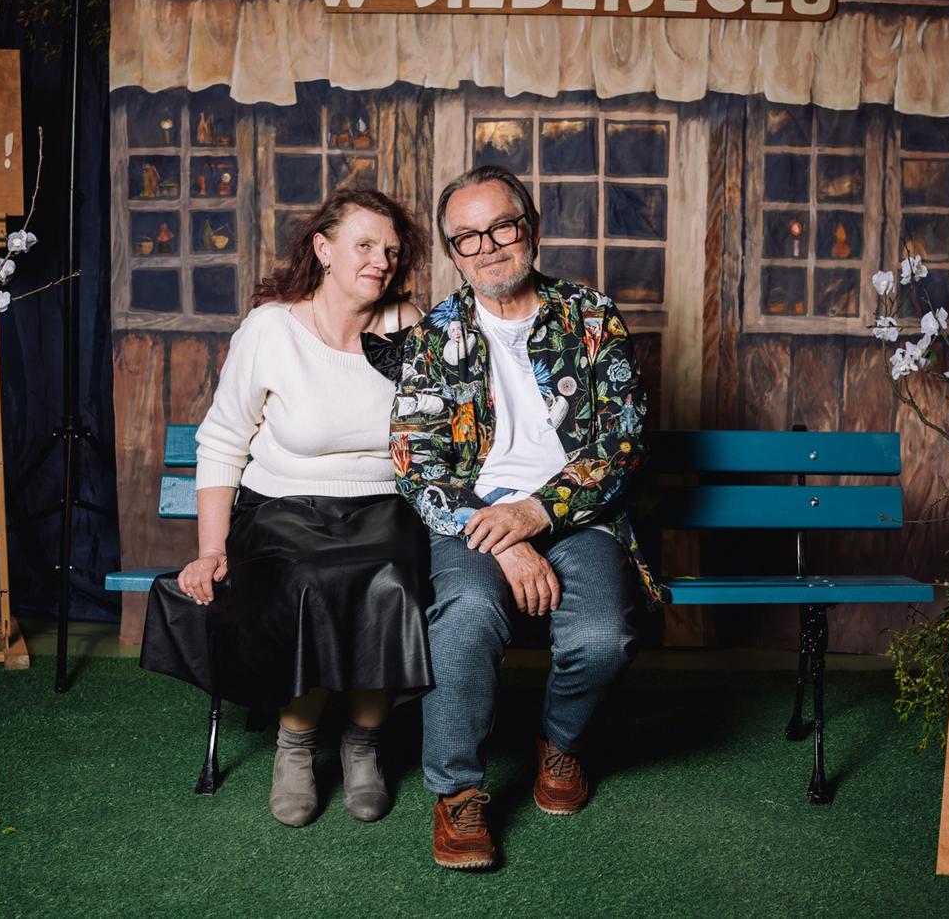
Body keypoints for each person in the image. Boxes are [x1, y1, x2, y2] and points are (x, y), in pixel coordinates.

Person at [390, 165, 657, 870]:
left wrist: (538, 513)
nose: (487, 247)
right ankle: (456, 793)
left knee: (603, 637)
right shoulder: (434, 336)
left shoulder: (591, 317)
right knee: (466, 617)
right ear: (453, 252)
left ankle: (560, 744)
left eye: (501, 227)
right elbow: (416, 461)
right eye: (467, 237)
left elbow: (623, 440)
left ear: (531, 230)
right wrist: (502, 537)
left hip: (577, 510)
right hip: (474, 517)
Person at [141, 187, 432, 827]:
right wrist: (210, 550)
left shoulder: (408, 324)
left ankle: (363, 745)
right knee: (308, 579)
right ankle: (295, 746)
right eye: (363, 245)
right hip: (282, 508)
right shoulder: (272, 328)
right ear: (323, 249)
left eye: (390, 250)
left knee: (392, 577)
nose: (380, 261)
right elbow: (223, 441)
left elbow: (438, 431)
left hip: (385, 507)